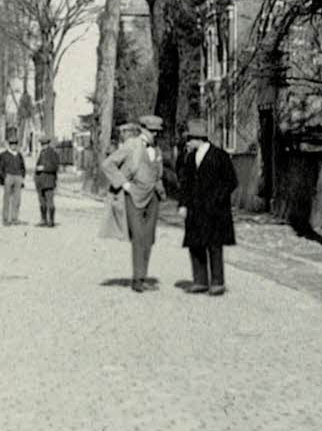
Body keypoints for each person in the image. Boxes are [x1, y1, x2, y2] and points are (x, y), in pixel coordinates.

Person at [101, 114, 165, 292]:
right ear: (143, 130)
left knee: (149, 238)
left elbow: (158, 173)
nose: (155, 135)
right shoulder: (131, 145)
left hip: (153, 197)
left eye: (158, 131)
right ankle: (138, 280)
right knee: (138, 237)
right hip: (134, 197)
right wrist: (124, 183)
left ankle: (142, 276)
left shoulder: (157, 149)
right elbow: (108, 164)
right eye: (152, 131)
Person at [179, 119, 238, 296]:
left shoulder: (220, 156)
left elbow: (231, 181)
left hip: (215, 210)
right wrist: (183, 204)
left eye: (189, 138)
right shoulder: (190, 157)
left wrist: (216, 199)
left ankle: (217, 282)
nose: (187, 142)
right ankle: (200, 281)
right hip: (195, 209)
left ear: (198, 138)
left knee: (214, 244)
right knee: (195, 243)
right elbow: (185, 183)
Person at [0, 138, 26, 226]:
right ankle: (5, 219)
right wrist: (4, 176)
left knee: (17, 199)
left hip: (18, 177)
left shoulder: (19, 155)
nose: (14, 146)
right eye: (12, 144)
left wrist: (22, 176)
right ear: (9, 145)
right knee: (7, 199)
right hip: (8, 177)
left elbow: (23, 167)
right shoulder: (3, 155)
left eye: (15, 144)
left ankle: (14, 218)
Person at [33, 135, 61, 227]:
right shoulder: (42, 153)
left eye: (44, 144)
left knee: (50, 202)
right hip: (40, 182)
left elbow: (55, 167)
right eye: (42, 144)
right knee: (42, 202)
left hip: (49, 182)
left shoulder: (53, 153)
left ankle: (51, 221)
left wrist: (44, 168)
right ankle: (43, 219)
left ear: (48, 144)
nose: (43, 146)